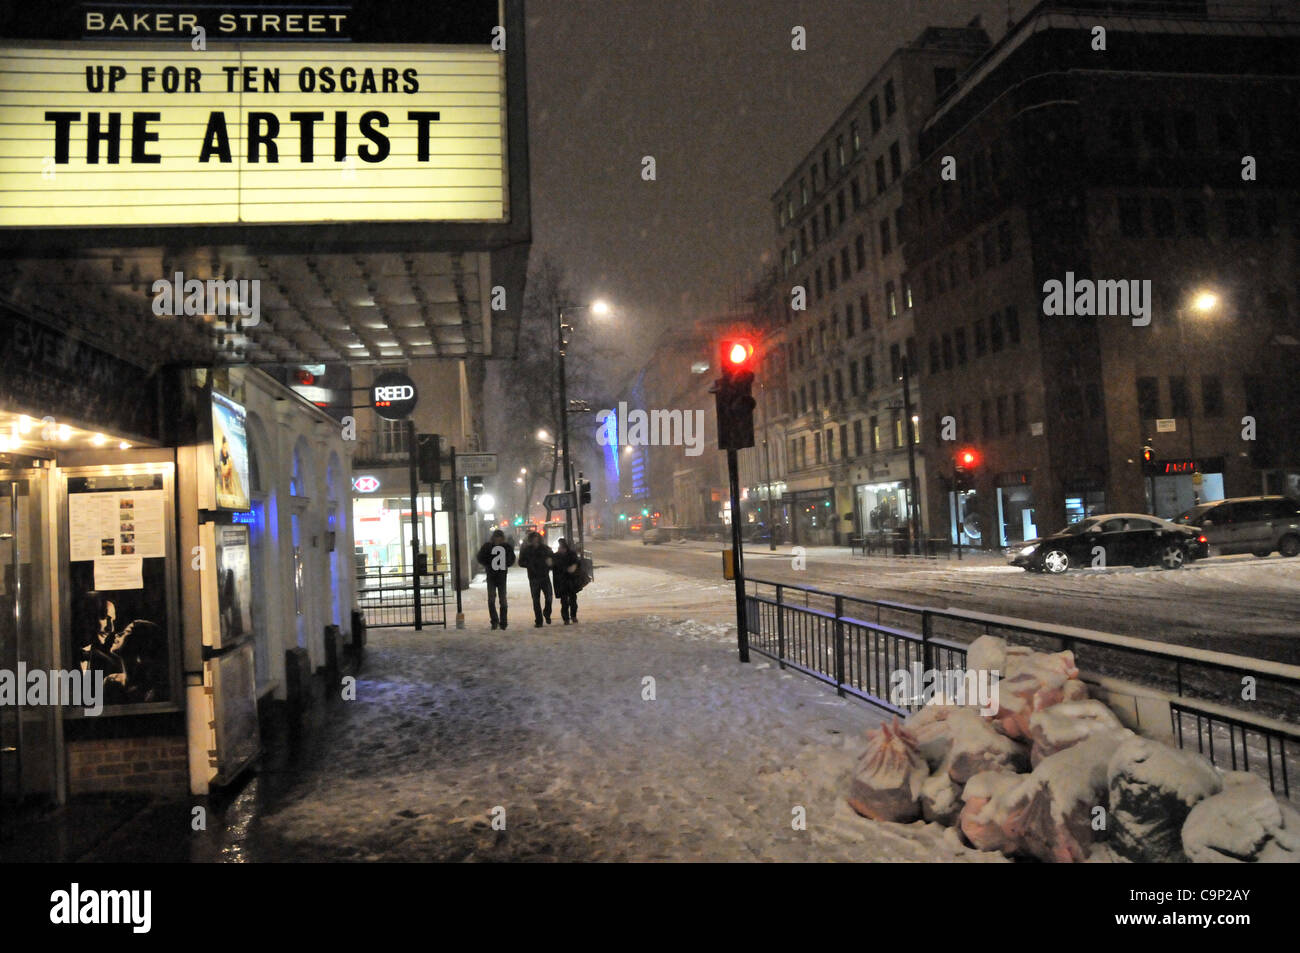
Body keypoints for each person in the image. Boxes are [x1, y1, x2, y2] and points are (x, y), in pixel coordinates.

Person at [475, 529, 515, 630]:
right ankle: (495, 621)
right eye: (496, 537)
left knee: (502, 600)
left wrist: (504, 563)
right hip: (493, 576)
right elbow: (480, 557)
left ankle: (503, 621)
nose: (498, 539)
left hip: (500, 576)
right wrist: (489, 563)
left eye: (499, 537)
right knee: (492, 599)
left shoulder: (504, 547)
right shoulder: (489, 547)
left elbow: (511, 559)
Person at [517, 531, 553, 627]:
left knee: (549, 597)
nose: (535, 540)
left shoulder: (545, 549)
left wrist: (549, 565)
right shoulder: (527, 550)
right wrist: (530, 565)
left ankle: (547, 612)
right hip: (533, 577)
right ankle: (539, 620)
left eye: (537, 538)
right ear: (530, 540)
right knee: (536, 600)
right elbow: (521, 562)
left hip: (544, 576)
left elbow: (552, 559)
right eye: (533, 538)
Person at [552, 537, 580, 624]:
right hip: (564, 581)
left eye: (563, 548)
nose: (561, 549)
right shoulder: (557, 556)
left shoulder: (570, 554)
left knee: (572, 600)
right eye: (560, 547)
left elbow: (577, 563)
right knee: (565, 601)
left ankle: (572, 616)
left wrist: (574, 567)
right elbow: (554, 567)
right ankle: (567, 618)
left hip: (568, 581)